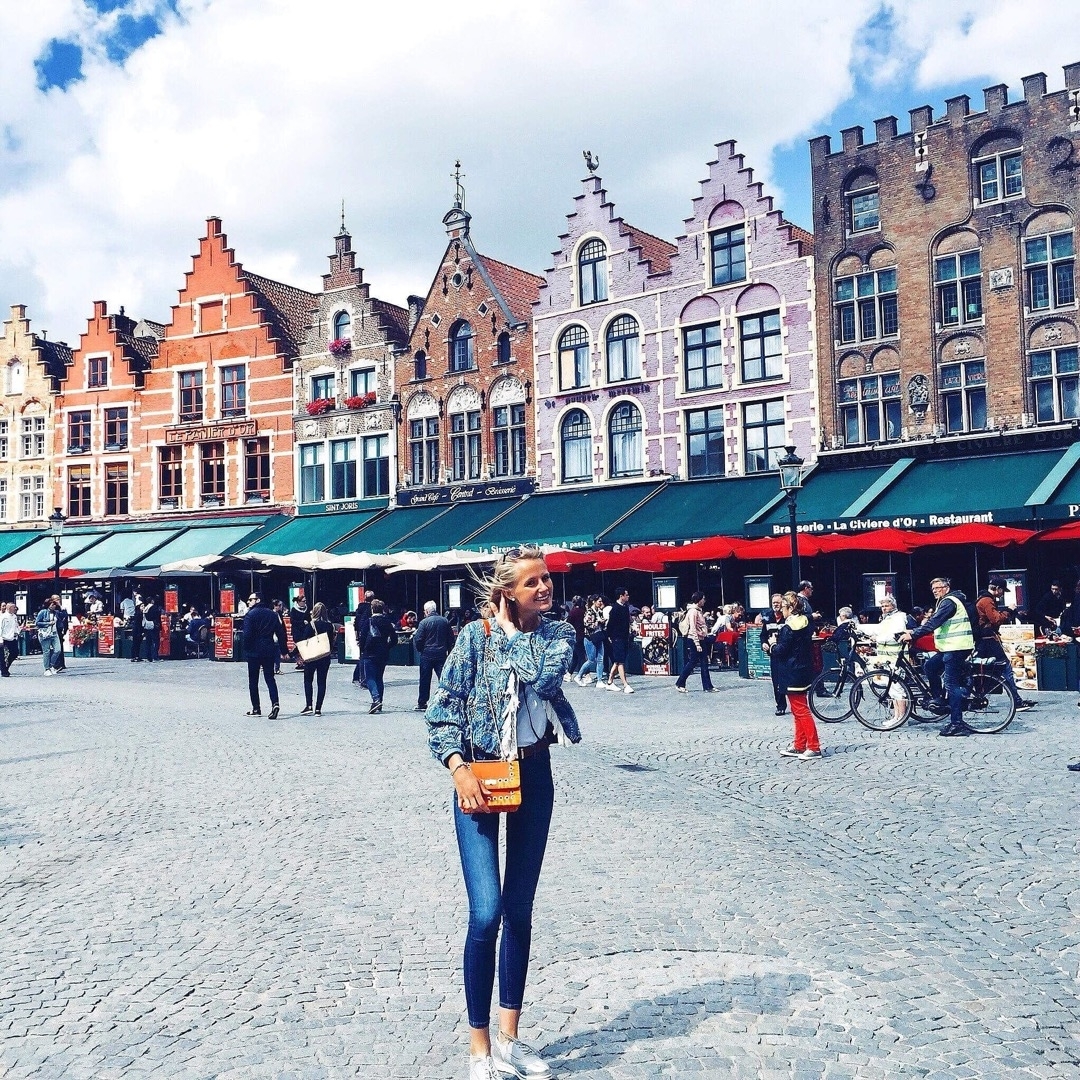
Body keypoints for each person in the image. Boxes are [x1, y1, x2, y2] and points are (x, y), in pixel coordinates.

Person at [425, 545, 581, 1080]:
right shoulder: (474, 637)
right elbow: (442, 708)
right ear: (507, 591)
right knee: (486, 912)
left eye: (546, 578)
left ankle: (510, 1040)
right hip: (480, 776)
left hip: (533, 775)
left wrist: (510, 633)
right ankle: (479, 1048)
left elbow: (543, 679)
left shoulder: (559, 635)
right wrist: (457, 768)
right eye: (532, 582)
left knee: (519, 908)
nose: (545, 587)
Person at [899, 576, 974, 737]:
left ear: (946, 588)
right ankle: (939, 699)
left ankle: (957, 724)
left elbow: (935, 622)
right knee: (930, 666)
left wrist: (913, 635)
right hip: (950, 647)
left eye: (938, 588)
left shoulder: (949, 602)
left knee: (951, 683)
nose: (934, 591)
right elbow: (934, 622)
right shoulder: (945, 601)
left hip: (957, 646)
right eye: (933, 589)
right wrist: (913, 631)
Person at [766, 591, 821, 760]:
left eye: (783, 607)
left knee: (801, 710)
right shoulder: (805, 622)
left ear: (790, 608)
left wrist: (772, 645)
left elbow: (781, 650)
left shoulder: (788, 628)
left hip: (791, 671)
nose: (781, 610)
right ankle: (799, 745)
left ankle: (813, 747)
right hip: (802, 669)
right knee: (798, 710)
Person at [975, 577, 1036, 713]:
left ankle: (975, 697)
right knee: (1006, 668)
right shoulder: (987, 600)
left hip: (984, 639)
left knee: (981, 669)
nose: (1002, 594)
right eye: (1002, 590)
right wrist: (1008, 610)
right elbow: (996, 620)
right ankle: (1016, 702)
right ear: (997, 589)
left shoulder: (982, 598)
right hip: (989, 640)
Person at [242, 593, 288, 719]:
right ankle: (275, 703)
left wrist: (246, 649)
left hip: (254, 651)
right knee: (270, 678)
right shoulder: (272, 614)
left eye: (251, 599)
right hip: (269, 649)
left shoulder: (250, 615)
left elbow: (247, 635)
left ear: (258, 600)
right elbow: (281, 633)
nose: (249, 601)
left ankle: (256, 708)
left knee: (253, 681)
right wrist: (284, 651)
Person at [675, 592, 718, 694]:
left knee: (704, 662)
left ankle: (707, 686)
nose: (704, 601)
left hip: (701, 638)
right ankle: (680, 683)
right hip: (695, 639)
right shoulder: (693, 611)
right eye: (703, 598)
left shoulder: (698, 610)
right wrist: (697, 643)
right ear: (699, 600)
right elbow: (693, 628)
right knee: (693, 662)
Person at [414, 600, 453, 712]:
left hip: (427, 654)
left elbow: (418, 639)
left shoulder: (424, 622)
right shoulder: (444, 621)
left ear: (427, 611)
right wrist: (448, 651)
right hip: (441, 653)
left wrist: (421, 650)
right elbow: (450, 638)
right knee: (444, 678)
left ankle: (422, 702)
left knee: (425, 679)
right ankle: (447, 700)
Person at [361, 598, 397, 714]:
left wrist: (362, 650)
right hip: (383, 653)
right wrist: (387, 646)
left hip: (370, 653)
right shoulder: (387, 622)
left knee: (369, 678)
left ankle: (376, 699)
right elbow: (394, 639)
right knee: (379, 678)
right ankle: (380, 702)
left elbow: (362, 638)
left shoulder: (369, 621)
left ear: (372, 609)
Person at [300, 602, 337, 716]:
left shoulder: (311, 625)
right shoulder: (330, 625)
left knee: (308, 680)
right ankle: (318, 708)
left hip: (312, 656)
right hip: (324, 656)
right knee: (321, 682)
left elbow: (304, 639)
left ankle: (309, 705)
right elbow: (332, 641)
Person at [603, 588, 634, 694]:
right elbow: (610, 624)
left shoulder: (625, 607)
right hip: (617, 638)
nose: (628, 596)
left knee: (618, 660)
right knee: (621, 661)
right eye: (626, 595)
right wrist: (609, 636)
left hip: (624, 637)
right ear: (621, 596)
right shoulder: (615, 609)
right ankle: (625, 684)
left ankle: (610, 681)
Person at [761, 594, 787, 714]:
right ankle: (780, 705)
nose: (776, 605)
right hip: (774, 654)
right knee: (776, 681)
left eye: (778, 602)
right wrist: (763, 643)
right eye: (774, 603)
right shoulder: (768, 617)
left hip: (786, 653)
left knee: (789, 680)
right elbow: (763, 635)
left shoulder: (788, 617)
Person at [574, 595, 607, 688]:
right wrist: (598, 622)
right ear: (594, 602)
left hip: (599, 636)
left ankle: (599, 680)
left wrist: (603, 622)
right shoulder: (589, 612)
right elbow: (587, 625)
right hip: (590, 638)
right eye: (599, 601)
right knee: (591, 659)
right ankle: (579, 676)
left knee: (600, 659)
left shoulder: (599, 611)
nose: (600, 603)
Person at [34, 599, 62, 675]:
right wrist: (48, 623)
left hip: (54, 633)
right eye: (52, 605)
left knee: (58, 650)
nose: (54, 606)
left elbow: (64, 615)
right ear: (48, 605)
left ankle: (51, 665)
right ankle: (47, 668)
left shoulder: (56, 612)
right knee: (46, 651)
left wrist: (60, 606)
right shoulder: (43, 612)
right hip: (45, 633)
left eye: (54, 605)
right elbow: (37, 623)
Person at [352, 590, 374, 685]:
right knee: (365, 657)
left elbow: (356, 623)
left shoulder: (359, 608)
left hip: (360, 633)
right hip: (368, 634)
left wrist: (357, 636)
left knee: (362, 656)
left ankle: (357, 677)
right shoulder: (371, 609)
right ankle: (363, 678)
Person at [289, 594, 312, 669]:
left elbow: (309, 618)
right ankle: (298, 660)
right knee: (299, 646)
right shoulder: (294, 610)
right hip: (297, 631)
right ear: (299, 602)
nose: (305, 602)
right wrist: (302, 622)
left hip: (305, 631)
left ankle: (304, 662)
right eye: (303, 601)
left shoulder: (307, 608)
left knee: (305, 646)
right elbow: (292, 621)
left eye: (305, 601)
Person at [565, 595, 586, 674]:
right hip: (582, 634)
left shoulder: (572, 612)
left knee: (578, 655)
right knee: (579, 655)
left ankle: (571, 673)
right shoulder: (583, 611)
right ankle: (582, 673)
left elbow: (568, 623)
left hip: (575, 635)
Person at [140, 595, 161, 662]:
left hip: (147, 625)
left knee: (148, 642)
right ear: (152, 601)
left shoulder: (146, 608)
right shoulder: (154, 608)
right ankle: (155, 656)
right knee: (156, 641)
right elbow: (157, 617)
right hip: (153, 626)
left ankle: (148, 657)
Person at [51, 596, 69, 671]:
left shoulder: (62, 607)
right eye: (56, 599)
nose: (58, 600)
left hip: (60, 629)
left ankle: (62, 663)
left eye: (59, 599)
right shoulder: (52, 608)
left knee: (60, 646)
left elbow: (65, 616)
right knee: (56, 647)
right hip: (54, 629)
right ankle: (56, 664)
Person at [0, 602, 18, 676]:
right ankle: (4, 671)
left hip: (12, 637)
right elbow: (0, 628)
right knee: (2, 656)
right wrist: (0, 639)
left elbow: (16, 625)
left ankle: (6, 666)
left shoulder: (14, 616)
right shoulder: (3, 617)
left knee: (15, 653)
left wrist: (17, 632)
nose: (15, 608)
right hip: (4, 638)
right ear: (9, 608)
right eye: (14, 607)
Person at [271, 600, 288, 673]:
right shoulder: (272, 614)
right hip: (274, 635)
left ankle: (276, 667)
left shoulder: (279, 614)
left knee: (277, 651)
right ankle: (275, 668)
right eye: (280, 605)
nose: (281, 607)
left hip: (279, 635)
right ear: (275, 606)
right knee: (275, 652)